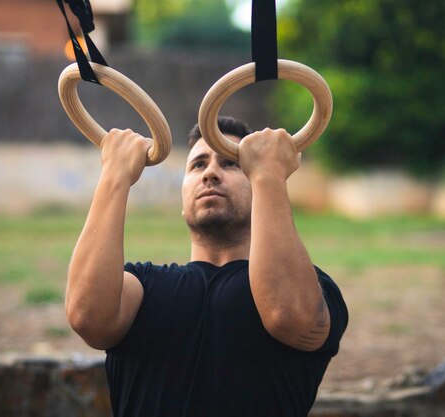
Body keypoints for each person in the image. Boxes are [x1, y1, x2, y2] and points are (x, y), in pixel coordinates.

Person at [66, 116, 348, 417]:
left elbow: (289, 315)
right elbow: (87, 317)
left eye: (231, 163)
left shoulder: (310, 288)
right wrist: (115, 174)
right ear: (183, 197)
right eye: (198, 165)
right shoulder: (138, 287)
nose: (211, 173)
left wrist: (269, 175)